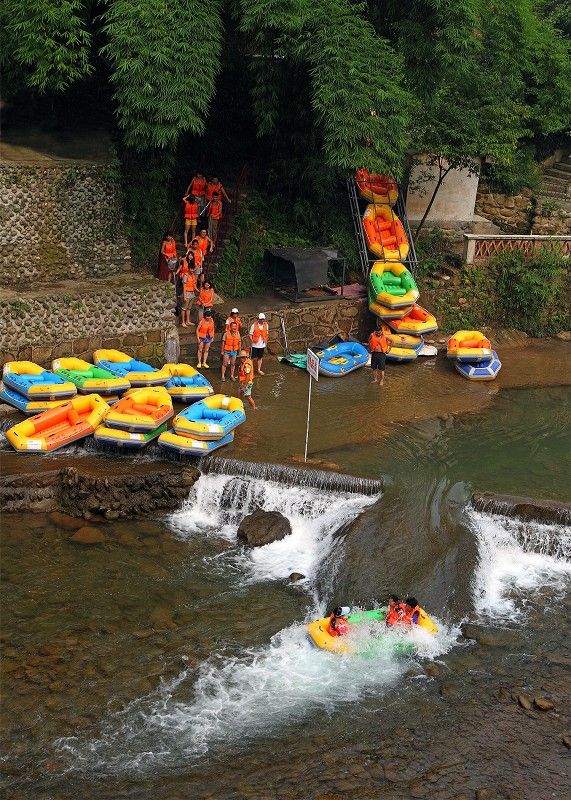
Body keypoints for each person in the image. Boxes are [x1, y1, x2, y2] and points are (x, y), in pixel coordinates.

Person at [368, 321, 392, 386]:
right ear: (375, 331)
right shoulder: (372, 335)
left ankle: (381, 381)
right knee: (373, 368)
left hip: (381, 354)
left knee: (381, 369)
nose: (378, 334)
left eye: (380, 333)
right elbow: (369, 340)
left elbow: (392, 341)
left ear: (381, 331)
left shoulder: (385, 336)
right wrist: (370, 347)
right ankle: (375, 379)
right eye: (377, 333)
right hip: (374, 353)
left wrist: (389, 349)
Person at [180, 256, 197, 328]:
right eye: (191, 269)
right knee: (184, 308)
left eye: (193, 269)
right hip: (186, 293)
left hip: (192, 293)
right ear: (189, 268)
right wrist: (184, 296)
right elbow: (184, 286)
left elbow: (194, 285)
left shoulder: (193, 276)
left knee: (189, 308)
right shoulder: (185, 276)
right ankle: (183, 322)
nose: (192, 270)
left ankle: (188, 321)